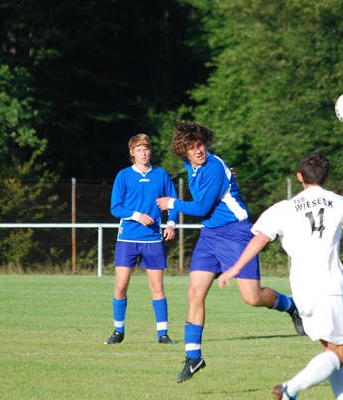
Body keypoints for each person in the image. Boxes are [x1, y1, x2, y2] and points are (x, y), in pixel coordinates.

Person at [219, 152, 343, 400]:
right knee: (342, 354)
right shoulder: (340, 202)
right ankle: (289, 389)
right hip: (329, 287)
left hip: (301, 291)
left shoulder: (284, 207)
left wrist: (235, 268)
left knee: (330, 350)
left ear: (300, 177)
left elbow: (259, 239)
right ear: (328, 177)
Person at [156, 120, 304, 383]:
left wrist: (172, 203)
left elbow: (201, 207)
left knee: (253, 297)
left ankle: (292, 306)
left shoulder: (212, 166)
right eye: (191, 147)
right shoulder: (191, 165)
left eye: (200, 144)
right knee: (194, 292)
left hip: (235, 233)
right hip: (209, 236)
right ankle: (193, 357)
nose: (197, 150)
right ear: (184, 151)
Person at [106, 134, 179, 345]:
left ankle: (163, 335)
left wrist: (171, 224)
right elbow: (115, 207)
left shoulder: (162, 175)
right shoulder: (123, 176)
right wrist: (137, 215)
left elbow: (172, 203)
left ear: (150, 151)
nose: (143, 152)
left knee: (157, 287)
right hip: (127, 239)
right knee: (120, 286)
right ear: (132, 153)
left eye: (146, 148)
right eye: (138, 149)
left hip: (153, 240)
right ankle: (118, 332)